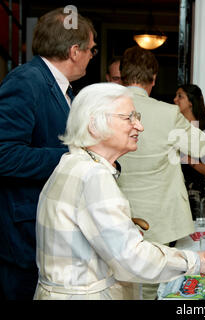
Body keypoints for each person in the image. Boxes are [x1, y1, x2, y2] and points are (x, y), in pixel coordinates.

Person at [34, 83, 205, 300]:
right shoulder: (93, 176)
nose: (140, 126)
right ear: (95, 125)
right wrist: (196, 262)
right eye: (129, 118)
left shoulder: (72, 163)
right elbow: (132, 259)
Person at [0, 7, 97, 300]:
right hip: (24, 235)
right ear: (74, 51)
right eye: (91, 50)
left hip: (48, 230)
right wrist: (73, 158)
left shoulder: (64, 90)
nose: (93, 56)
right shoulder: (26, 82)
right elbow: (4, 155)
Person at [116, 46, 205, 299]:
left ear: (122, 76)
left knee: (116, 279)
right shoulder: (167, 113)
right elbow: (203, 145)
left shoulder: (101, 109)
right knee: (150, 283)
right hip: (159, 216)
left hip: (112, 210)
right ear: (154, 78)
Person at [174, 84, 205, 221]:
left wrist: (186, 158)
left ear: (191, 102)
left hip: (196, 195)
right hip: (175, 193)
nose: (175, 99)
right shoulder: (174, 127)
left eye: (180, 96)